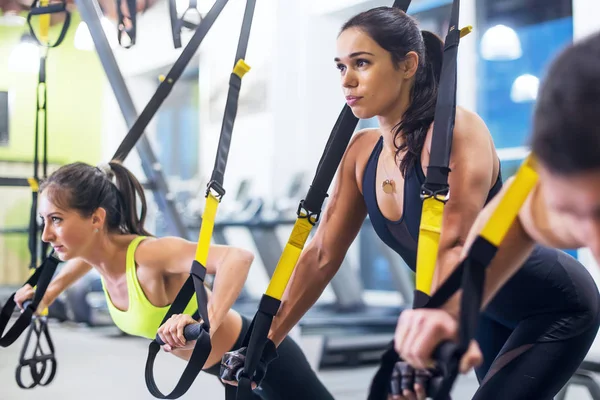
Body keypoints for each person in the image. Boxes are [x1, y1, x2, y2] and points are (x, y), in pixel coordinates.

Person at [254, 7, 600, 400]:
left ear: (408, 65)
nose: (347, 80)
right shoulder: (361, 152)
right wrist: (266, 341)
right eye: (340, 67)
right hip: (481, 300)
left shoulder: (454, 133)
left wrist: (434, 323)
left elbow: (451, 243)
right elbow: (321, 255)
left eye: (362, 63)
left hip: (553, 304)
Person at [14, 160, 334, 400]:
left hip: (260, 354)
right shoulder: (100, 258)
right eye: (44, 220)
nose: (46, 234)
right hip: (230, 374)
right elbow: (87, 256)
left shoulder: (150, 255)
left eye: (56, 220)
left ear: (97, 218)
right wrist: (49, 291)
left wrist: (205, 323)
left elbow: (238, 257)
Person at [392, 30, 600, 387]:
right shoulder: (565, 199)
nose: (593, 245)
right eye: (578, 215)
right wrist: (454, 307)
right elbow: (515, 215)